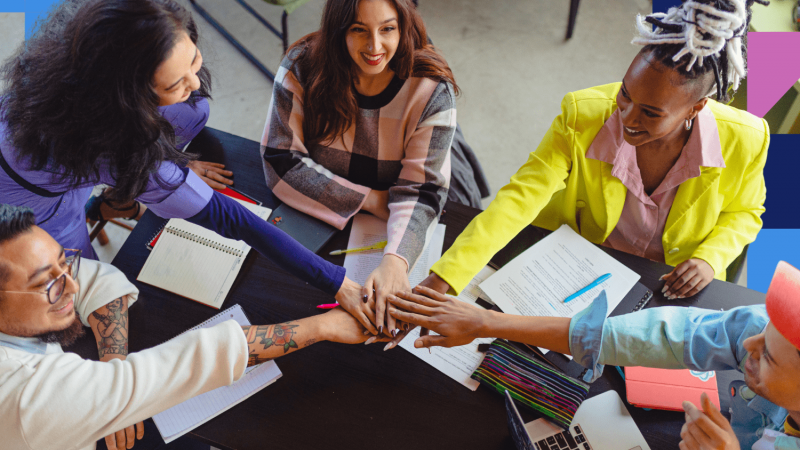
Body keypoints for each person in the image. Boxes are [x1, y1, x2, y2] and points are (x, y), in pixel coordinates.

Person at [0, 0, 376, 333]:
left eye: (193, 60)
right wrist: (337, 282)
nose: (194, 81)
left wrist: (167, 168)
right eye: (175, 82)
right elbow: (231, 218)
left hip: (52, 151)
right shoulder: (112, 145)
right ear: (130, 101)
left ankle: (128, 191)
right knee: (84, 290)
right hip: (33, 205)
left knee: (194, 108)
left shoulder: (86, 38)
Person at [418, 0, 769, 303]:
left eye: (650, 113)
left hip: (669, 288)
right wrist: (446, 278)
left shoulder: (747, 139)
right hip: (577, 268)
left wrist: (710, 258)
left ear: (696, 109)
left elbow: (745, 212)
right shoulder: (581, 114)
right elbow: (519, 199)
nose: (627, 117)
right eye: (626, 94)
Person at [0, 204, 381, 450]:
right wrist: (324, 326)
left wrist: (111, 363)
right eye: (47, 285)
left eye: (64, 263)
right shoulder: (26, 400)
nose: (73, 284)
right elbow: (184, 364)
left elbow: (96, 275)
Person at [388, 260, 800, 450]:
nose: (749, 344)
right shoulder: (768, 330)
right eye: (763, 330)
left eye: (768, 357)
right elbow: (667, 336)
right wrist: (487, 324)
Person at [260, 0, 477, 337]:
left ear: (404, 26)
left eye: (388, 29)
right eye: (359, 30)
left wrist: (396, 261)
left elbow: (424, 191)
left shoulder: (432, 88)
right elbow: (280, 161)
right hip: (356, 204)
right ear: (337, 29)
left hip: (415, 192)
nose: (375, 47)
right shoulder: (302, 65)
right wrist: (373, 201)